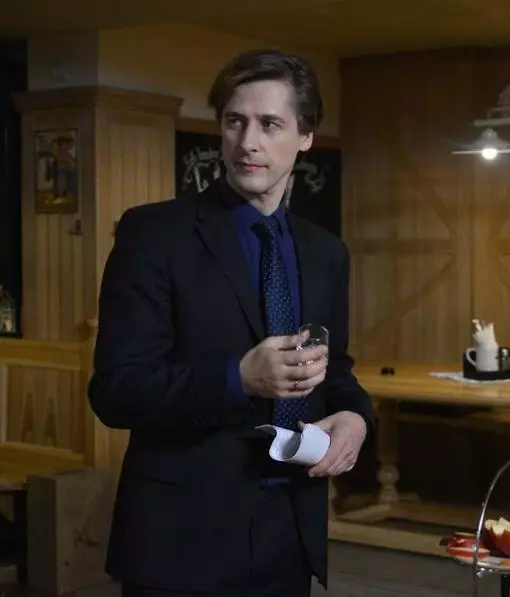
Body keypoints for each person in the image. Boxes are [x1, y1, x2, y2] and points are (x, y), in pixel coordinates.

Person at [88, 49, 374, 597]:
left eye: (270, 124)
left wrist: (356, 417)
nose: (248, 142)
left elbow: (334, 368)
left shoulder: (326, 253)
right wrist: (238, 379)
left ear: (305, 136)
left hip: (289, 530)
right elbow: (116, 391)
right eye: (234, 122)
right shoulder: (153, 236)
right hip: (181, 537)